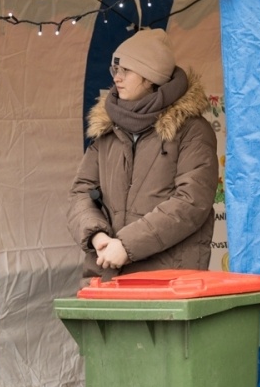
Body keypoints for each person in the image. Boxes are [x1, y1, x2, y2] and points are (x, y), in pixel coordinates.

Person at [68, 29, 218, 276]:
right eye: (115, 69)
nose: (117, 78)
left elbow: (192, 201)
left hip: (167, 279)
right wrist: (97, 235)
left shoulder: (192, 130)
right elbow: (81, 192)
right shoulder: (108, 129)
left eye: (126, 70)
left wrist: (127, 245)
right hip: (106, 275)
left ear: (151, 78)